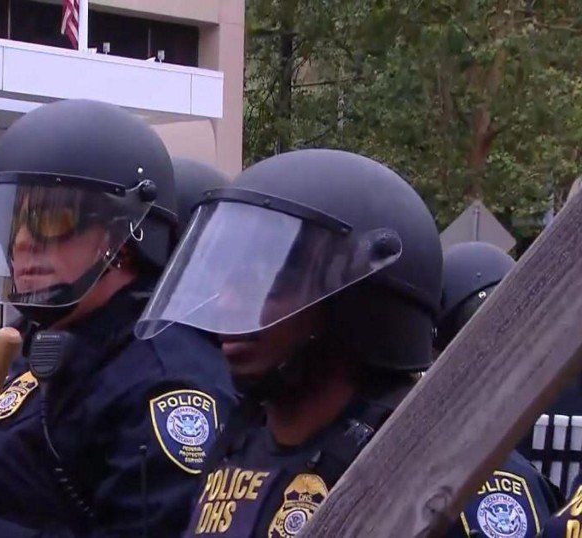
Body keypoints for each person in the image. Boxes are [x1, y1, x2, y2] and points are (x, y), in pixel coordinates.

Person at [135, 149, 559, 538]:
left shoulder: (456, 474)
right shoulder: (237, 444)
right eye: (228, 278)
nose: (228, 302)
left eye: (268, 281)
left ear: (360, 304)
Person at [0, 99, 236, 537]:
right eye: (12, 222)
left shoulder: (167, 378)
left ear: (125, 235)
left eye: (51, 219)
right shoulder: (12, 347)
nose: (22, 242)